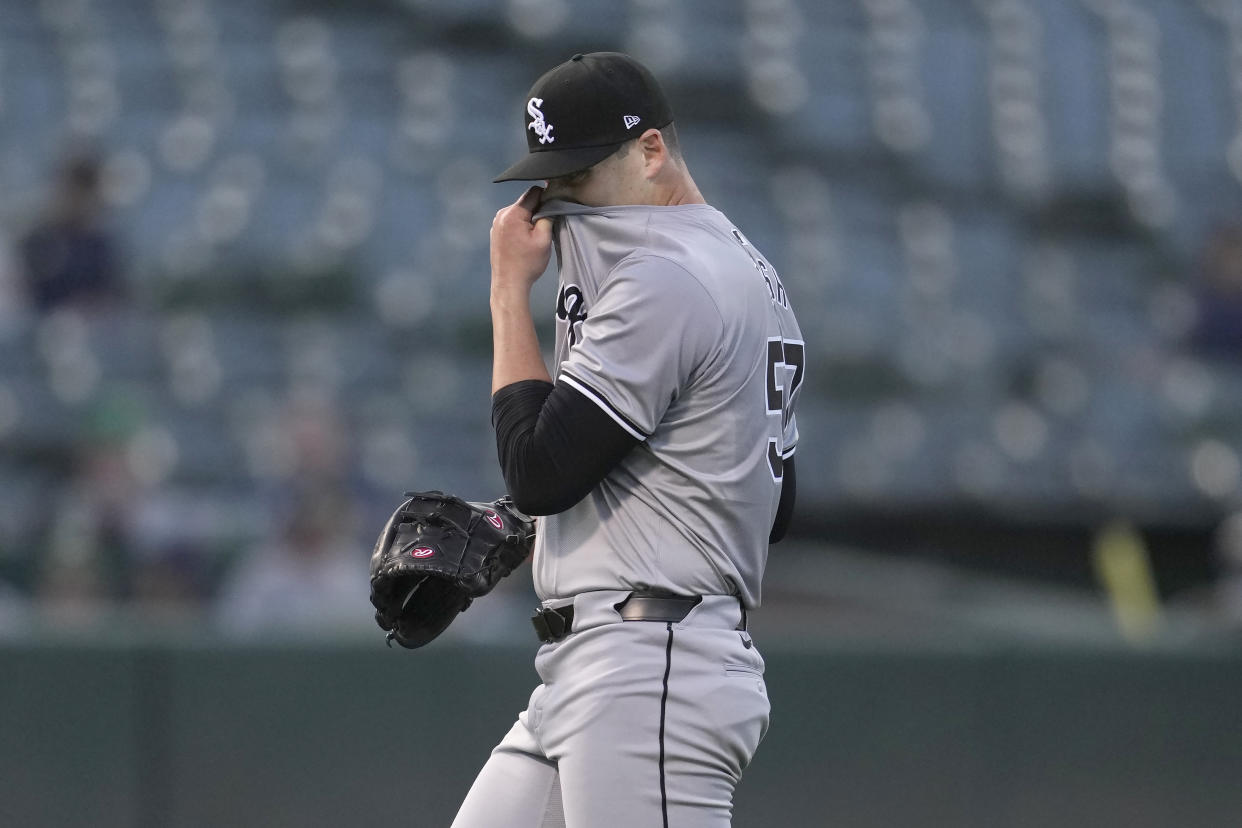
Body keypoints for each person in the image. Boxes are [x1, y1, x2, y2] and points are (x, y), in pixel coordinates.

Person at [452, 53, 804, 827]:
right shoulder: (747, 266)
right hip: (603, 665)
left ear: (650, 152)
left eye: (577, 174)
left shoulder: (666, 274)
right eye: (548, 176)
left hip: (653, 664)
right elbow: (770, 504)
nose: (556, 199)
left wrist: (508, 292)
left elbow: (540, 474)